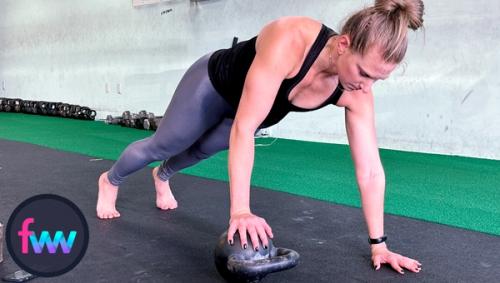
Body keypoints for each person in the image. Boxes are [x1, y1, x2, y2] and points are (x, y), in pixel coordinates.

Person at [97, 0, 424, 274]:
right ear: (343, 44)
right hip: (213, 85)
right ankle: (110, 180)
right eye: (364, 73)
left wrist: (379, 244)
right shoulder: (291, 39)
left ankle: (163, 175)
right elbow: (244, 128)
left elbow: (369, 170)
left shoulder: (356, 92)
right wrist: (240, 211)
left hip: (245, 110)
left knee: (201, 152)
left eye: (378, 80)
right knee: (165, 144)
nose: (367, 87)